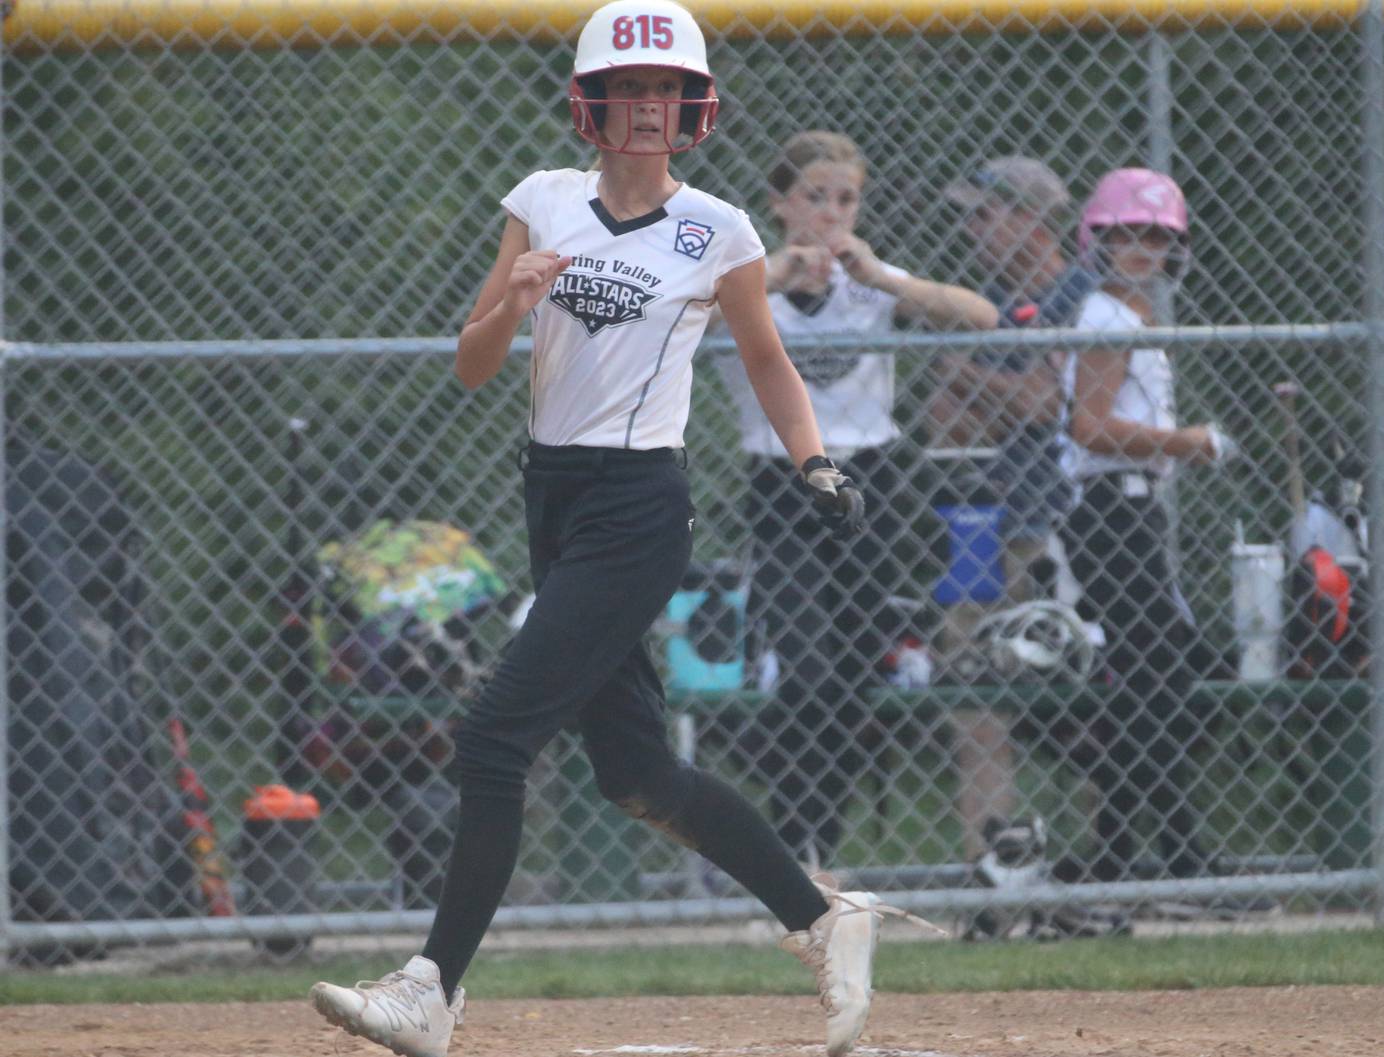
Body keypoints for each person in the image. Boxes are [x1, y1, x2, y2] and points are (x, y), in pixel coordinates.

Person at [308, 6, 937, 1057]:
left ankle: (431, 990)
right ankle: (824, 916)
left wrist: (814, 460)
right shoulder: (544, 201)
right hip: (552, 496)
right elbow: (471, 363)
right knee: (636, 773)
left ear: (692, 107)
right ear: (590, 104)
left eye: (666, 90)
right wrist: (508, 302)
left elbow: (769, 362)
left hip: (641, 506)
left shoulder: (722, 229)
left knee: (492, 734)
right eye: (628, 89)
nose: (648, 107)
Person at [717, 129, 997, 868]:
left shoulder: (867, 282)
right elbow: (678, 315)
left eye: (846, 199)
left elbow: (979, 315)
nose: (831, 213)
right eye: (814, 198)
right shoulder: (750, 281)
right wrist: (772, 274)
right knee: (804, 672)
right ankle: (788, 843)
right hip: (783, 484)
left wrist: (883, 278)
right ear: (779, 205)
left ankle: (820, 855)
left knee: (849, 679)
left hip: (866, 482)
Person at [1059, 167, 1235, 882]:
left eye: (1157, 237)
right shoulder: (1106, 315)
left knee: (1150, 683)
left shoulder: (1129, 315)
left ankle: (1117, 855)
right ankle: (1176, 856)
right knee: (1158, 678)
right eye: (1125, 234)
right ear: (1097, 240)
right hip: (1112, 512)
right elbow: (1090, 427)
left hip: (1133, 510)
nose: (1142, 248)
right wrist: (1186, 443)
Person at [926, 156, 1094, 858]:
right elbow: (945, 423)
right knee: (975, 706)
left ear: (1031, 220)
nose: (971, 228)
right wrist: (997, 388)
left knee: (1088, 707)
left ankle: (1100, 869)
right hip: (978, 527)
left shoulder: (1084, 294)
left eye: (984, 213)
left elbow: (1045, 404)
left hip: (1066, 524)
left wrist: (966, 368)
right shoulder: (986, 299)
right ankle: (987, 871)